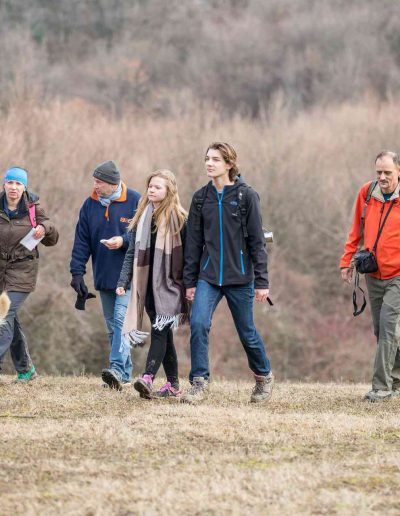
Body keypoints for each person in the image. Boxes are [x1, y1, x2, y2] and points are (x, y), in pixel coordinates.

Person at [181, 142, 273, 404]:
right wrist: (190, 281)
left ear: (229, 164)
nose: (209, 164)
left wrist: (262, 281)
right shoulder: (201, 198)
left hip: (240, 278)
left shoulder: (247, 196)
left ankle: (263, 377)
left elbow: (257, 242)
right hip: (208, 277)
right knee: (198, 324)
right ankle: (199, 382)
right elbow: (193, 243)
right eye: (207, 158)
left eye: (216, 160)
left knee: (246, 332)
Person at [117, 169, 188, 399]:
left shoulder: (180, 218)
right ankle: (173, 385)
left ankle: (147, 377)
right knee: (164, 334)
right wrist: (123, 280)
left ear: (169, 191)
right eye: (150, 186)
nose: (152, 190)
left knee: (159, 329)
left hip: (170, 284)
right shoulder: (143, 216)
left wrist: (189, 285)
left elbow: (189, 255)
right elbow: (132, 252)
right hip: (146, 284)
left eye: (158, 187)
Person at [70, 161, 140, 390]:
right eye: (94, 181)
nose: (95, 186)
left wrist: (123, 240)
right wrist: (77, 272)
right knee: (112, 326)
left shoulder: (135, 200)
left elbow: (144, 236)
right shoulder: (89, 205)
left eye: (99, 182)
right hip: (104, 275)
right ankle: (124, 375)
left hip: (129, 276)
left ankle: (117, 369)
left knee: (120, 321)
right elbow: (81, 241)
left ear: (113, 183)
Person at [341, 150, 400, 402]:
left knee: (388, 327)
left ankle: (381, 388)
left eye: (387, 172)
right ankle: (396, 379)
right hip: (372, 273)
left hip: (397, 276)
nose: (382, 177)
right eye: (379, 172)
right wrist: (347, 261)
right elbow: (356, 230)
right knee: (381, 329)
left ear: (398, 171)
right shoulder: (367, 193)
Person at [0, 167, 59, 381]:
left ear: (24, 187)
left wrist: (44, 227)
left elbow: (53, 238)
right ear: (4, 184)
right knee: (10, 319)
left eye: (18, 183)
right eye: (10, 182)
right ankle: (26, 370)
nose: (13, 187)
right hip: (1, 272)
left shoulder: (33, 209)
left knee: (3, 315)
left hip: (22, 272)